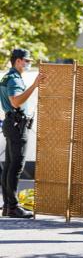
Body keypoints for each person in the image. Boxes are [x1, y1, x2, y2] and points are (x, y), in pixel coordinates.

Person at [0, 49, 44, 218]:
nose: (28, 64)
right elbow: (16, 101)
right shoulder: (14, 78)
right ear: (18, 61)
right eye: (26, 61)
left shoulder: (8, 77)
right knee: (16, 166)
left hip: (12, 123)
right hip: (17, 125)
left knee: (10, 166)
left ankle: (7, 205)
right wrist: (34, 85)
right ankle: (13, 206)